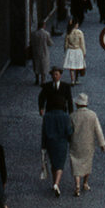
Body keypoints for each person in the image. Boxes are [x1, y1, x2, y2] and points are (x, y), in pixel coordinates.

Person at [39, 65, 74, 196]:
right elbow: (69, 131)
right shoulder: (64, 117)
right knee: (60, 163)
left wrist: (43, 145)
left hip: (51, 141)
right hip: (61, 142)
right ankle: (56, 183)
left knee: (54, 161)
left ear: (60, 75)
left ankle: (55, 183)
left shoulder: (47, 118)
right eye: (54, 74)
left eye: (57, 74)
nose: (55, 76)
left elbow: (44, 132)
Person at [69, 92, 105, 196]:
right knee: (87, 163)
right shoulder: (92, 115)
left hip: (75, 143)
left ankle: (77, 186)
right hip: (88, 143)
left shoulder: (72, 116)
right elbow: (98, 130)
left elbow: (69, 130)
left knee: (76, 164)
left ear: (77, 104)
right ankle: (85, 183)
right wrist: (102, 144)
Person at [30, 20, 53, 86]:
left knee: (36, 65)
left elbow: (31, 42)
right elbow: (50, 43)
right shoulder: (46, 34)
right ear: (43, 26)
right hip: (44, 51)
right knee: (44, 66)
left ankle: (37, 79)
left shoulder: (33, 33)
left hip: (36, 52)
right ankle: (43, 80)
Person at [64, 17, 86, 86]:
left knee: (71, 66)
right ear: (75, 24)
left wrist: (65, 50)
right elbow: (82, 43)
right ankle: (76, 79)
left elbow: (66, 43)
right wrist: (84, 52)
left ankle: (72, 80)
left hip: (70, 50)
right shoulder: (79, 32)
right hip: (78, 50)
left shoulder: (68, 32)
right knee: (77, 65)